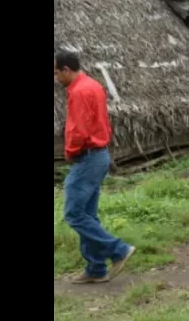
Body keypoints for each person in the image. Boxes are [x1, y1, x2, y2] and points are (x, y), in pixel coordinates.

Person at [54, 50, 135, 284]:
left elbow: (78, 129)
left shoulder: (79, 92)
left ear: (66, 70)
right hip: (99, 155)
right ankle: (95, 268)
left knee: (73, 214)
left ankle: (118, 250)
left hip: (87, 156)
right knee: (87, 213)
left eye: (57, 73)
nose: (56, 78)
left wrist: (70, 151)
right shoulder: (93, 85)